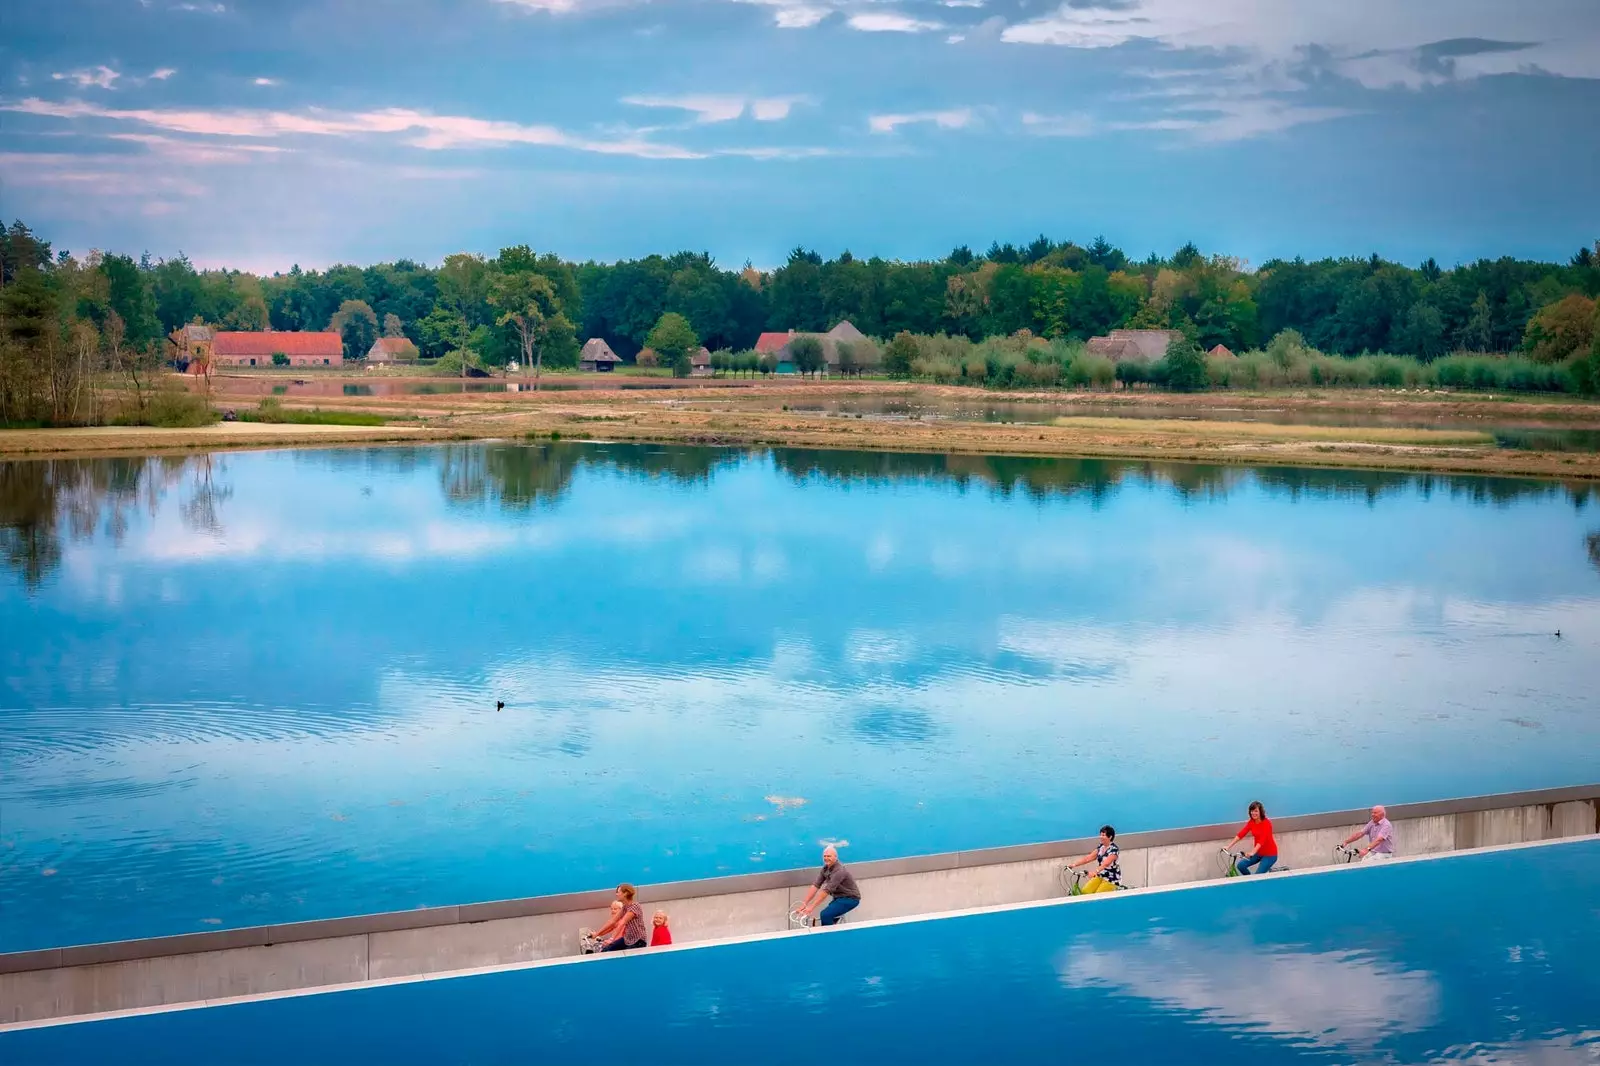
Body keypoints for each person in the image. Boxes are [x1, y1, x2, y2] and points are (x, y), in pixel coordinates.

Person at [795, 845, 861, 926]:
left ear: (836, 857)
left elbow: (826, 891)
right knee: (829, 918)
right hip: (838, 898)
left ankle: (830, 937)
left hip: (850, 899)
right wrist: (804, 904)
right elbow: (815, 886)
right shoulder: (825, 869)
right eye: (824, 856)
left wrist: (811, 907)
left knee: (825, 915)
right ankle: (834, 932)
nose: (826, 858)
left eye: (829, 856)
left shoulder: (839, 871)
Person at [1228, 801, 1279, 875]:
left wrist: (1252, 852)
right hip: (1258, 853)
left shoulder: (1267, 824)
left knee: (1258, 876)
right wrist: (1228, 846)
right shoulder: (1252, 822)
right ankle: (1251, 881)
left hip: (1270, 854)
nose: (1253, 813)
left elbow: (1262, 840)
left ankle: (1256, 881)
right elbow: (1241, 834)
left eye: (1256, 811)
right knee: (1241, 866)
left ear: (1260, 812)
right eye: (1252, 811)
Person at [592, 883, 648, 951]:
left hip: (638, 941)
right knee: (606, 950)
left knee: (625, 956)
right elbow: (612, 921)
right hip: (627, 939)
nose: (616, 894)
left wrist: (611, 939)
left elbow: (622, 923)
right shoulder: (625, 907)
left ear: (625, 893)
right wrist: (596, 934)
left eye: (618, 892)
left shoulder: (635, 906)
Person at [1066, 825, 1122, 893]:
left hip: (1111, 879)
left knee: (1098, 895)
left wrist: (1094, 872)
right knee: (1085, 891)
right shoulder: (1101, 847)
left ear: (1110, 837)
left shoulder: (1114, 850)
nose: (1101, 837)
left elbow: (1105, 864)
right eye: (1100, 835)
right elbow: (1088, 858)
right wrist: (1073, 865)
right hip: (1100, 876)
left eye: (1103, 835)